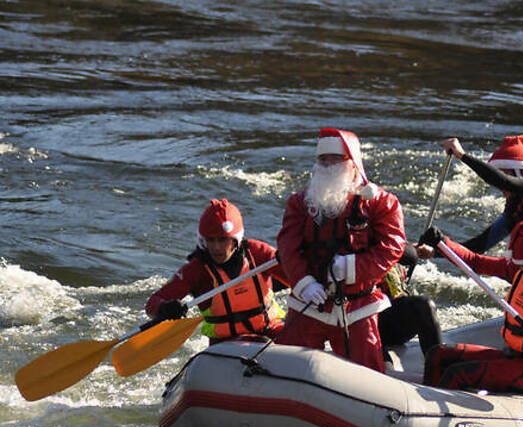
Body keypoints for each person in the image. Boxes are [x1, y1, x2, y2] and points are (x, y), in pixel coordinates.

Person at [276, 127, 405, 373]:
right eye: (323, 159)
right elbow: (288, 247)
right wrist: (304, 283)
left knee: (367, 373)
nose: (327, 165)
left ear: (352, 163)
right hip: (309, 301)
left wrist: (351, 267)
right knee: (286, 368)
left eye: (335, 159)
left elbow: (392, 246)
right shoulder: (300, 203)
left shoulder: (381, 203)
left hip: (357, 306)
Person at [418, 218, 523, 395]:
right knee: (437, 355)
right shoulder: (517, 269)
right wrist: (442, 243)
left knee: (457, 374)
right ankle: (423, 407)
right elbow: (475, 261)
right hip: (514, 356)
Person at [146, 198, 288, 344]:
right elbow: (152, 303)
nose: (217, 248)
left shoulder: (258, 253)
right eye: (211, 240)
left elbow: (298, 277)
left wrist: (290, 261)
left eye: (222, 240)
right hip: (225, 344)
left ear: (235, 240)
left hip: (272, 331)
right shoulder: (197, 270)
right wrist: (164, 308)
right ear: (203, 240)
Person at [420, 135, 523, 258]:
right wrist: (437, 251)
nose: (499, 188)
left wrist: (462, 156)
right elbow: (480, 245)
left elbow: (506, 182)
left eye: (503, 174)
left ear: (521, 172)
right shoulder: (517, 209)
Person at [377, 243, 442, 364]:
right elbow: (410, 256)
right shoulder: (365, 237)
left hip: (393, 318)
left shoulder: (388, 238)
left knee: (425, 306)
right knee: (423, 305)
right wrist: (413, 250)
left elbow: (407, 254)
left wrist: (429, 249)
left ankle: (437, 369)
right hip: (370, 321)